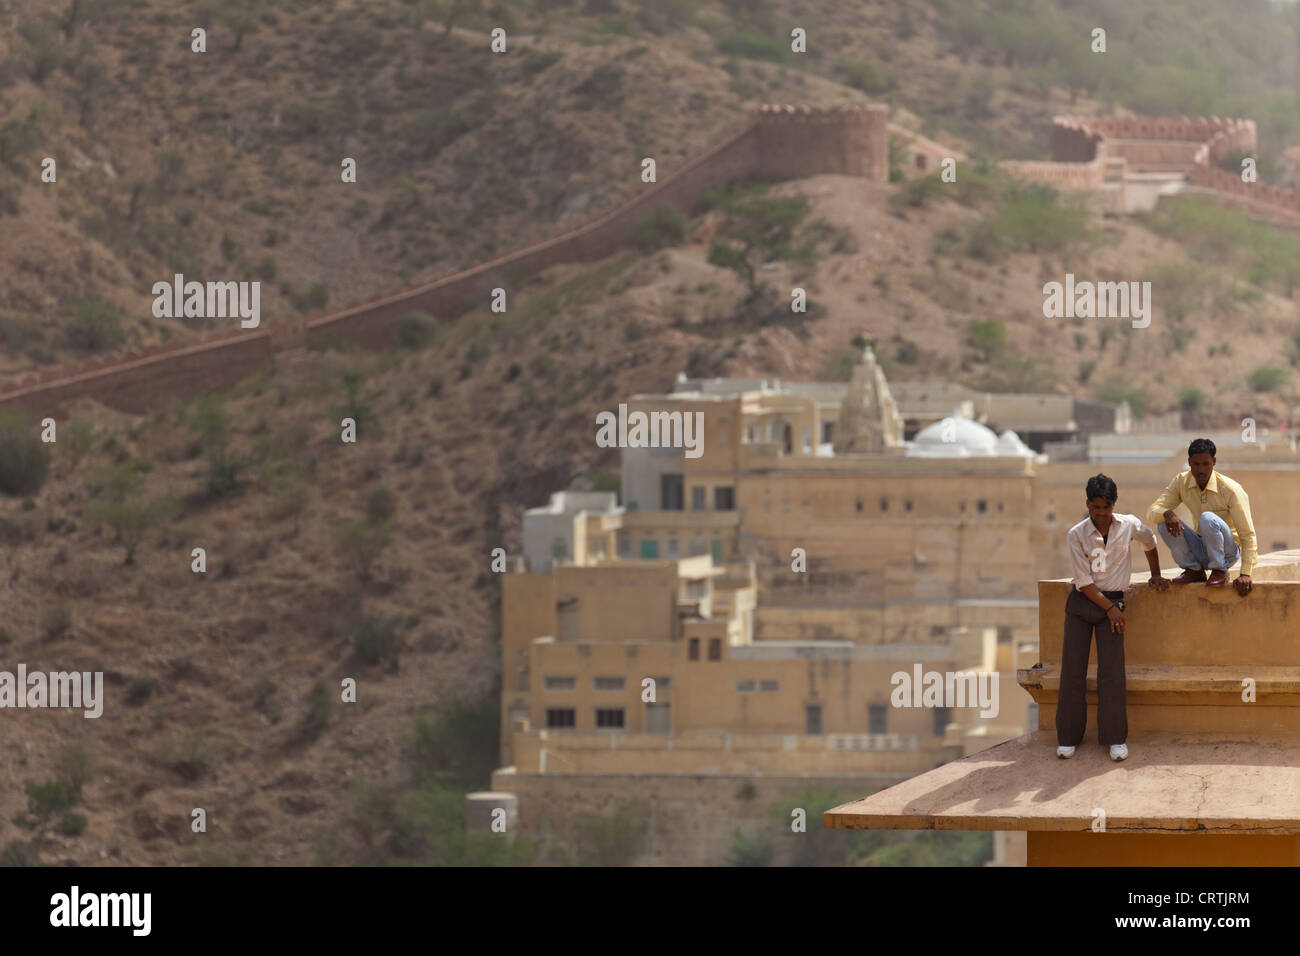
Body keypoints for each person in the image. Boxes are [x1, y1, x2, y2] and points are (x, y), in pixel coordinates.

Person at [1058, 474, 1169, 762]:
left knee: (1112, 674)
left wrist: (1156, 574)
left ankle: (1115, 739)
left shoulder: (1128, 525)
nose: (1101, 514)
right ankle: (1068, 738)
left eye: (1105, 508)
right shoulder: (1076, 534)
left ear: (1113, 505)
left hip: (1114, 602)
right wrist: (1110, 609)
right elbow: (1083, 581)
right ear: (1088, 505)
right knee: (1072, 671)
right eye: (1095, 508)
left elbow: (1150, 542)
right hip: (1084, 604)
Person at [1146, 438, 1257, 596]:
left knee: (1207, 518)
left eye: (1206, 464)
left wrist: (1245, 573)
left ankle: (1220, 571)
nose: (1201, 470)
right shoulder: (1181, 482)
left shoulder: (1230, 489)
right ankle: (1193, 570)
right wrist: (1167, 513)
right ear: (1189, 462)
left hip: (1228, 552)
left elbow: (1247, 534)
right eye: (1196, 464)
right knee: (1163, 523)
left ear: (1214, 462)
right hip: (1202, 547)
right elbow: (1152, 511)